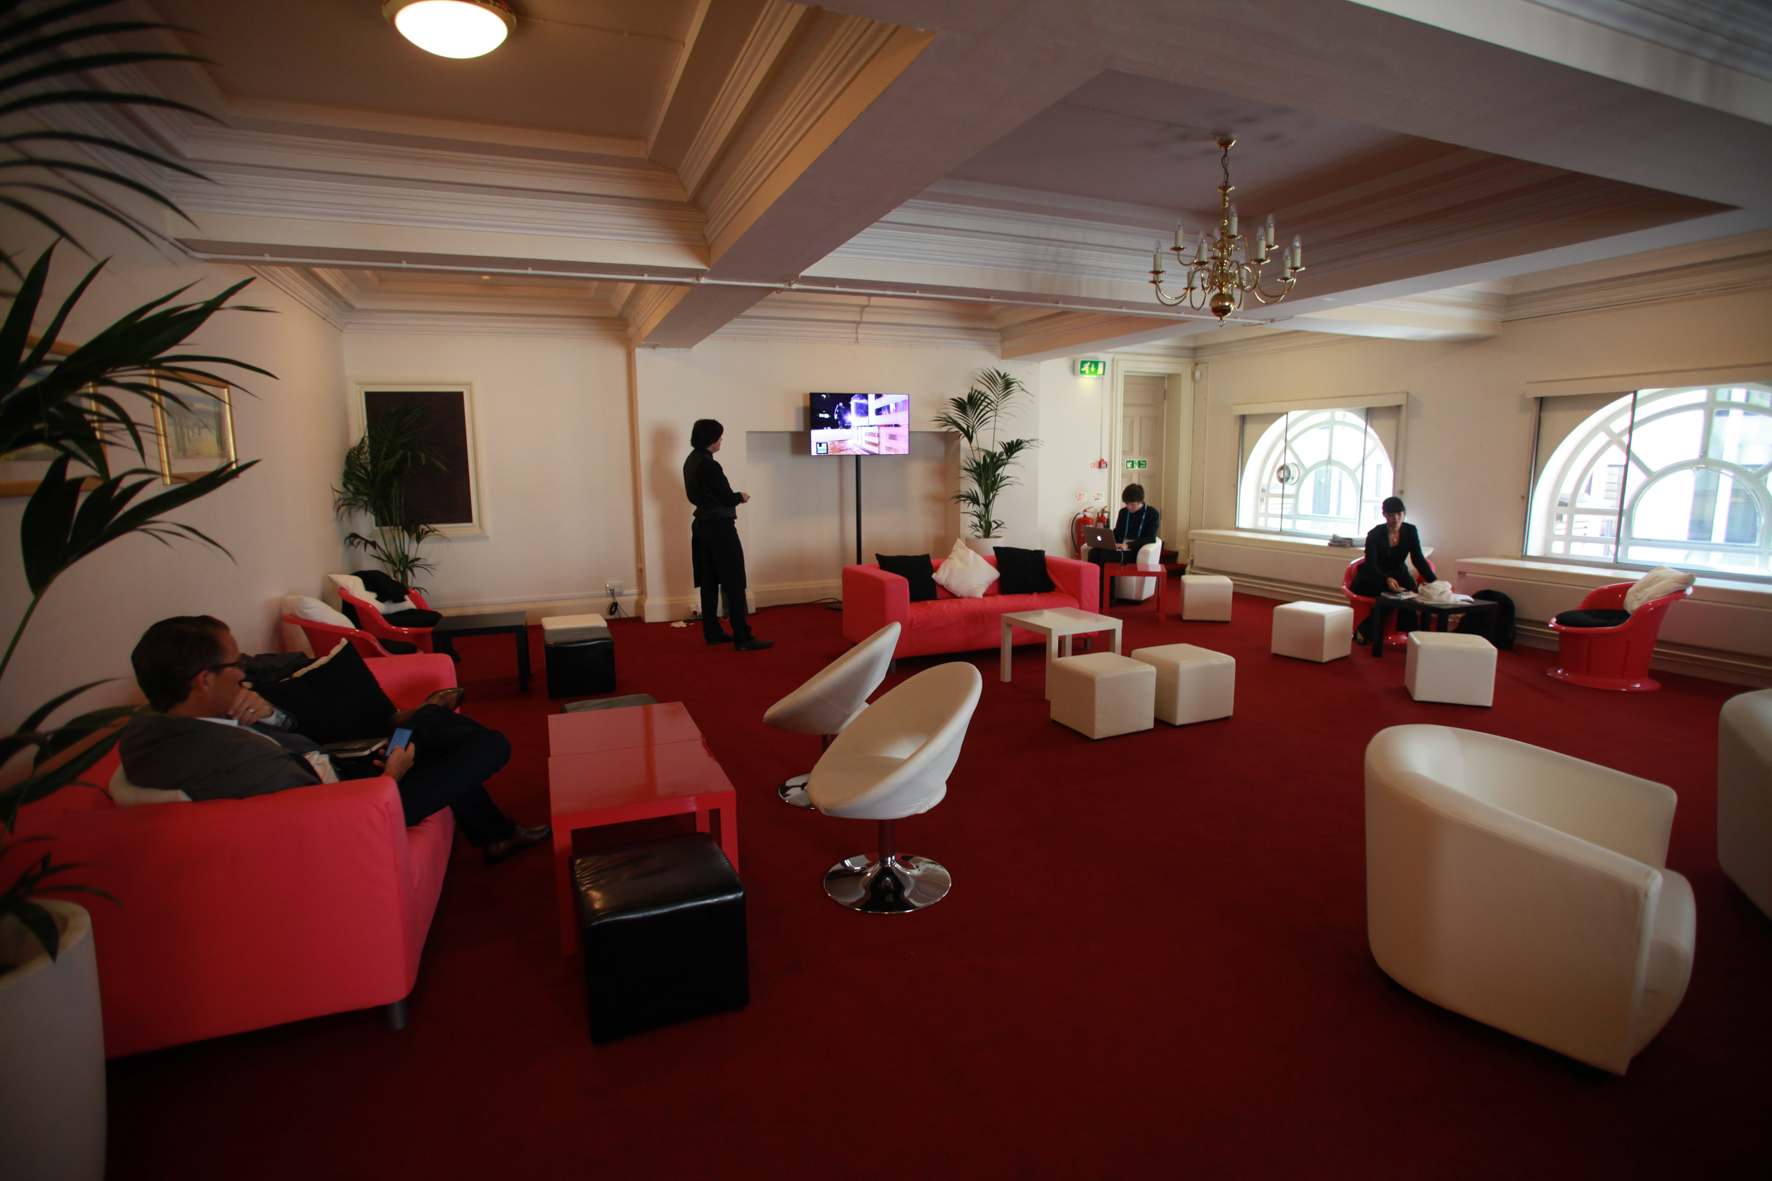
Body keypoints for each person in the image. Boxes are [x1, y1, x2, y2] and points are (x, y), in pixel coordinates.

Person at [119, 616, 550, 865]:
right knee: (489, 746)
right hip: (365, 794)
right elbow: (327, 817)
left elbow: (286, 731)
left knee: (434, 731)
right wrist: (392, 776)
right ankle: (429, 718)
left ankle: (493, 828)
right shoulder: (225, 757)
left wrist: (268, 713)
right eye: (234, 666)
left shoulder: (178, 721)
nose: (243, 674)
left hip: (350, 764)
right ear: (203, 679)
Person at [683, 419, 771, 651]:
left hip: (701, 526)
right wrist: (741, 496)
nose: (722, 440)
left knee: (709, 581)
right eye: (720, 436)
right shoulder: (710, 465)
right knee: (734, 581)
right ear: (712, 439)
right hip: (719, 528)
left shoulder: (691, 460)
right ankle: (743, 637)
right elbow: (726, 497)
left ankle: (712, 633)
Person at [1351, 496, 1433, 645]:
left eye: (1399, 514)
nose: (1396, 518)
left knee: (1405, 591)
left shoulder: (1410, 530)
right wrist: (1386, 579)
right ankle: (1412, 632)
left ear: (1404, 513)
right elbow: (1370, 564)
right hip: (1373, 576)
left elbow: (1419, 559)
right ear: (1384, 515)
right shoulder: (1375, 534)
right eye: (1391, 515)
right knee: (1393, 595)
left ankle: (1364, 629)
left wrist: (1434, 581)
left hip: (1398, 574)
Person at [1088, 484, 1162, 603]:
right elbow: (1118, 531)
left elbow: (1150, 538)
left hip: (1135, 550)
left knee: (1107, 556)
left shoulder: (1152, 513)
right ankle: (1091, 592)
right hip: (1120, 546)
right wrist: (1106, 539)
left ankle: (1108, 597)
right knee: (1094, 552)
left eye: (1132, 504)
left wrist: (1129, 545)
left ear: (1141, 501)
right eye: (1126, 503)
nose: (1128, 507)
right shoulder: (1123, 512)